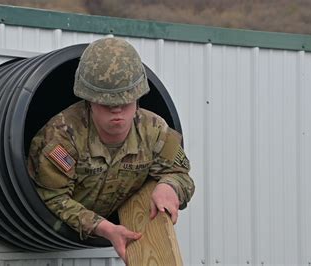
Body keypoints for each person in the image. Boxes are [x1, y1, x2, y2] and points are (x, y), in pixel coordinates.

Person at [26, 37, 194, 262]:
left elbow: (181, 174)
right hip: (53, 235)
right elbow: (51, 198)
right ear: (89, 100)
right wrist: (104, 228)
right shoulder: (61, 136)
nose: (117, 112)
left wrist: (169, 186)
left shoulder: (156, 130)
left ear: (138, 98)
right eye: (107, 105)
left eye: (125, 103)